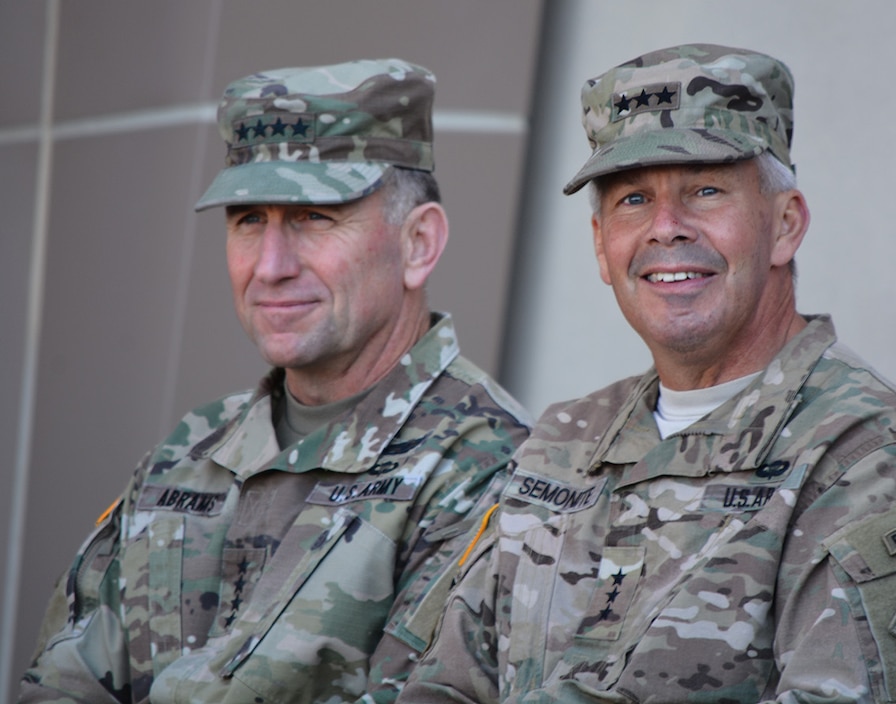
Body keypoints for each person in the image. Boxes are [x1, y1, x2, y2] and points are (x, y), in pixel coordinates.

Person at [399, 44, 896, 703]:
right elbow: (444, 687)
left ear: (785, 226)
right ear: (600, 249)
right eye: (634, 199)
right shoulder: (563, 443)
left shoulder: (873, 458)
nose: (665, 228)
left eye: (706, 190)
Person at [19, 58, 531, 704]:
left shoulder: (493, 470)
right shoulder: (190, 452)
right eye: (248, 219)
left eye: (315, 217)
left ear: (419, 243)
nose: (270, 265)